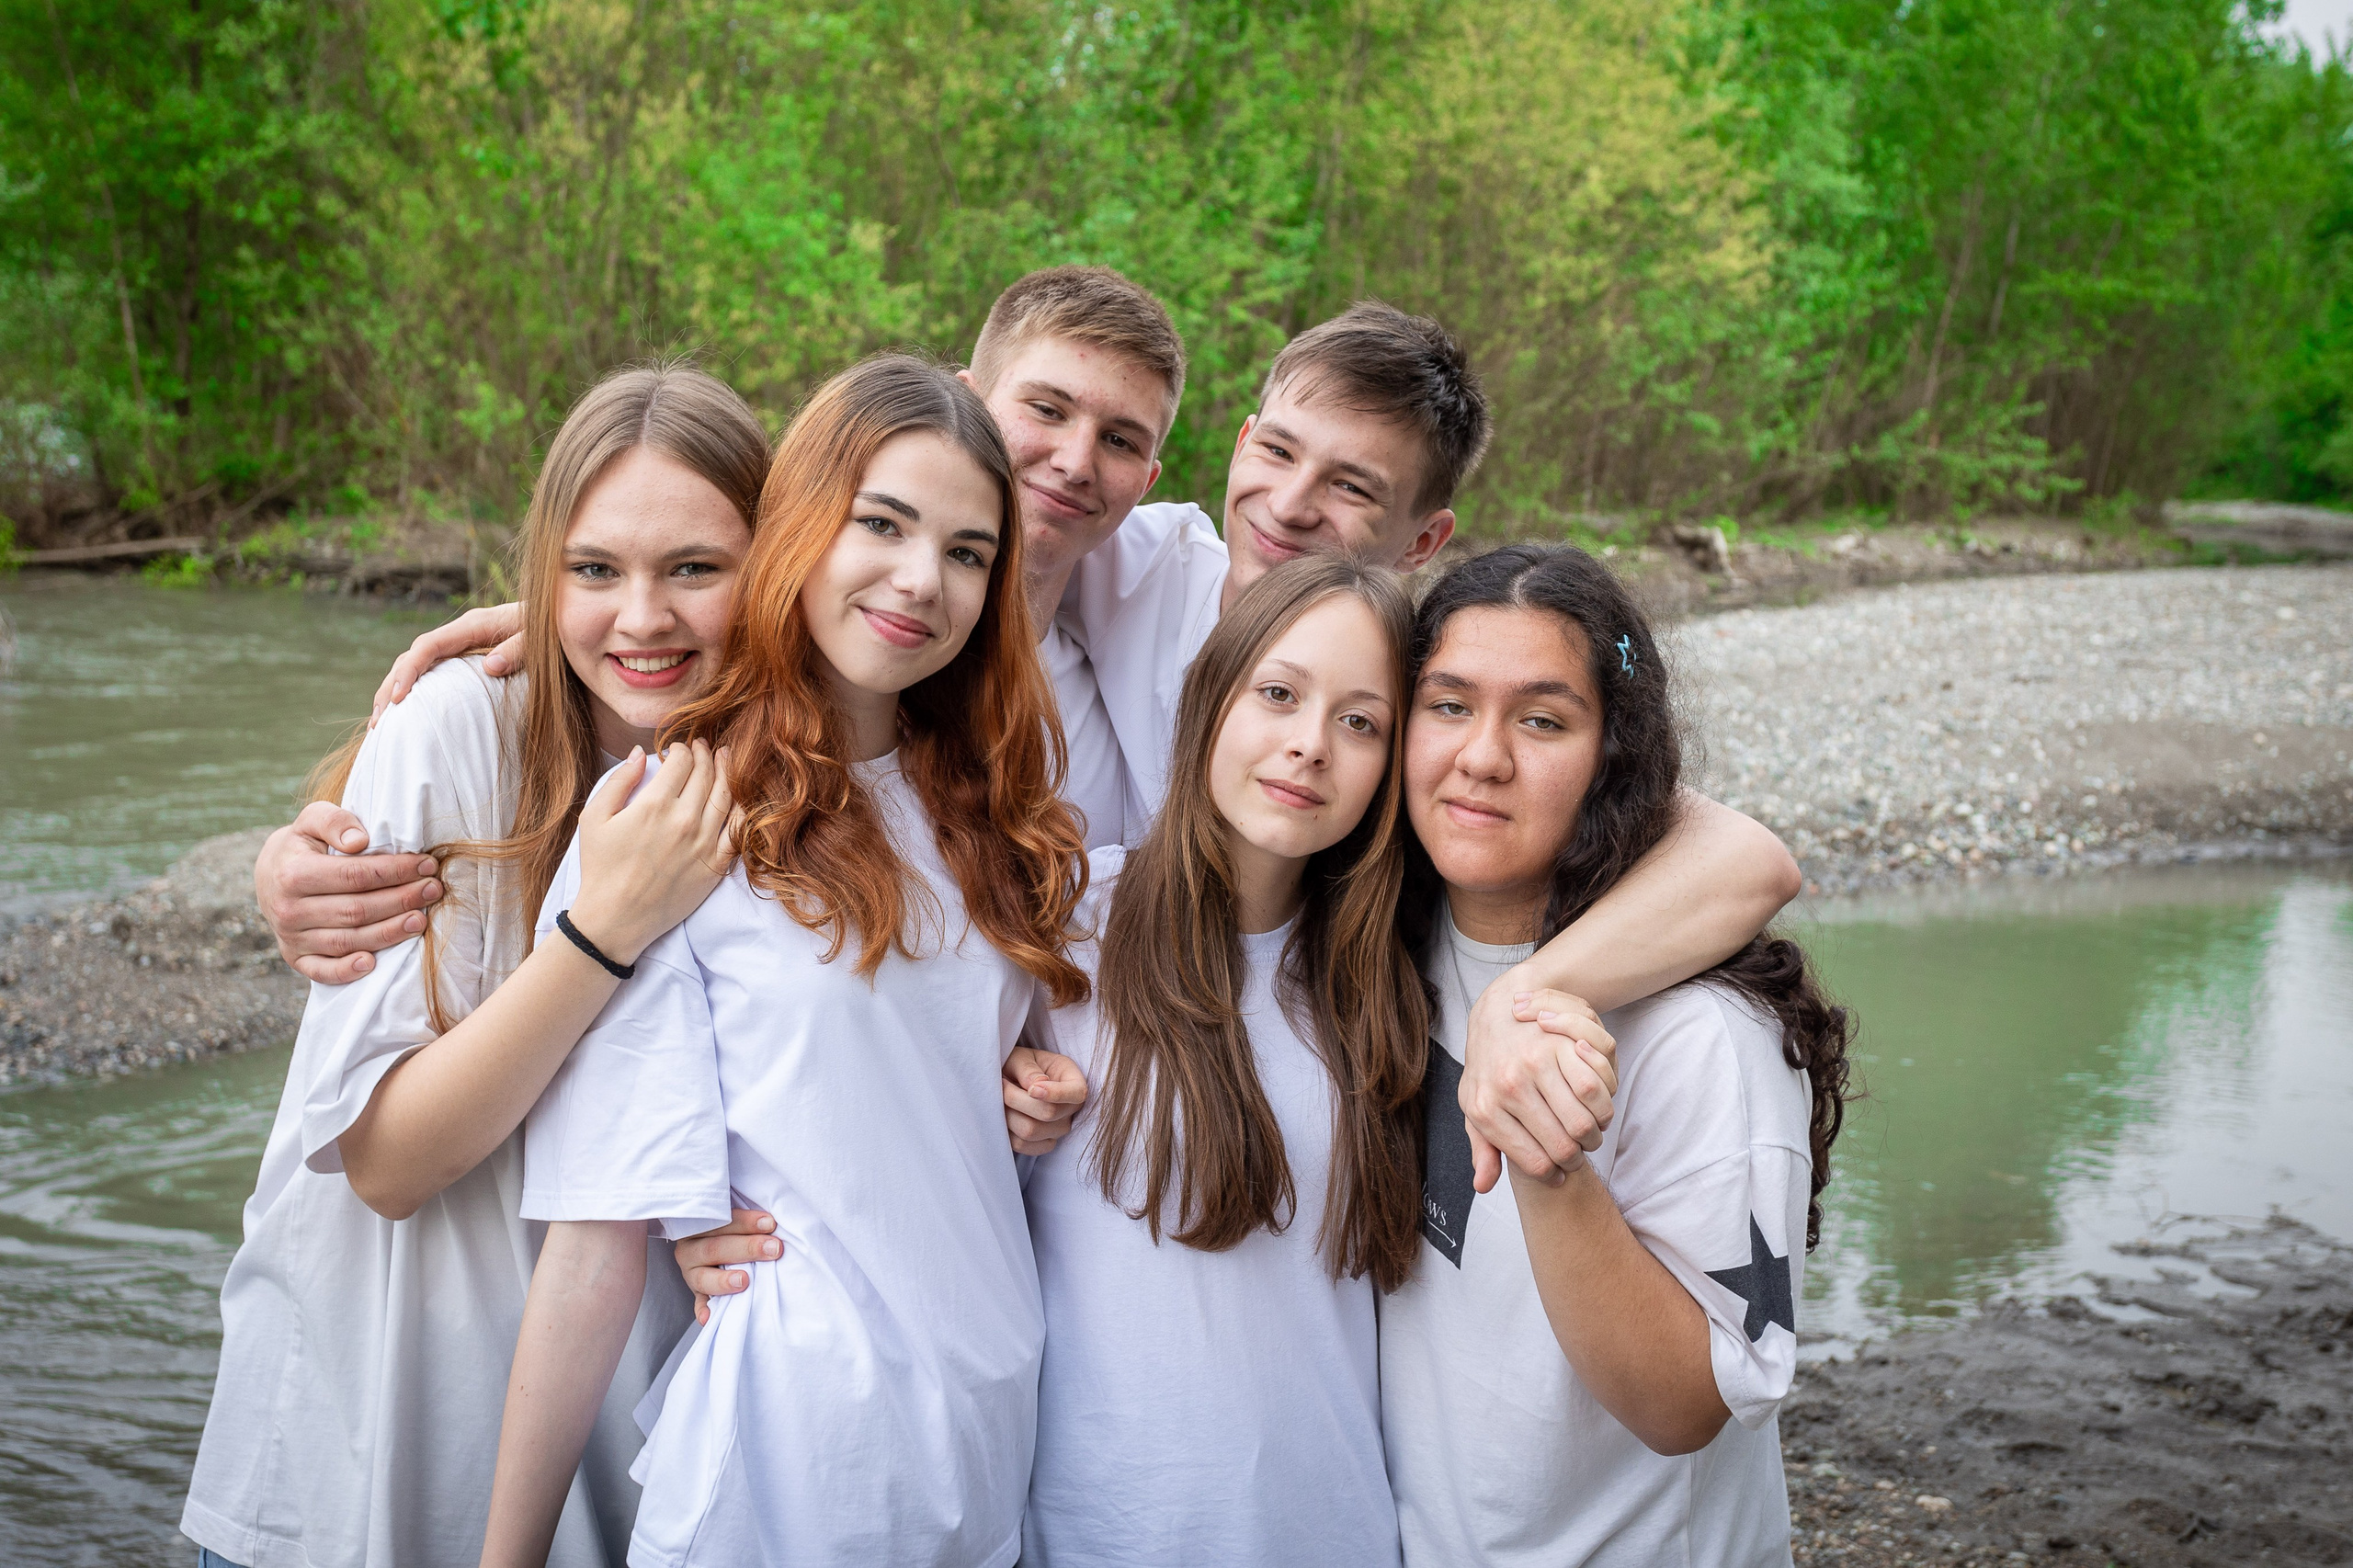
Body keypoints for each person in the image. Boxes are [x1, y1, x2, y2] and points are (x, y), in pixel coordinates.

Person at [269, 285, 1800, 1202]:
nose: (1291, 503)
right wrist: (554, 616)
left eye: (1351, 488)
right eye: (1275, 452)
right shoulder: (1064, 582)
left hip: (1256, 1125)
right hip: (955, 1175)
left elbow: (1735, 849)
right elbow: (754, 586)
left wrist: (1547, 988)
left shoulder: (1387, 660)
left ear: (1423, 534)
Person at [475, 354, 1089, 1568]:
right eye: (884, 523)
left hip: (985, 1446)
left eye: (969, 551)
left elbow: (915, 1082)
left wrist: (1036, 1079)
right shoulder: (673, 811)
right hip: (790, 1473)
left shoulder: (987, 804)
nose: (924, 578)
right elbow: (595, 1244)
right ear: (801, 524)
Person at [181, 364, 769, 1568]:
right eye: (595, 569)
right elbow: (389, 1162)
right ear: (542, 570)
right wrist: (602, 934)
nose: (642, 617)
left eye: (695, 569)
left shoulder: (794, 779)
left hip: (617, 1479)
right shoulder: (456, 730)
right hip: (351, 1476)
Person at [1379, 542, 1855, 1566]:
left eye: (1543, 719)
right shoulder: (1387, 948)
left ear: (1613, 756)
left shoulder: (1702, 1034)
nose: (1483, 756)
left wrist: (1549, 1150)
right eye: (1448, 704)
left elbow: (1685, 1402)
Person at [1023, 555, 1502, 1564]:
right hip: (1101, 1530)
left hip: (1332, 1528)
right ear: (1211, 700)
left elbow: (1738, 861)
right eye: (1279, 693)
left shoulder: (1391, 976)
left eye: (1361, 721)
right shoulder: (1062, 931)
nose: (1308, 745)